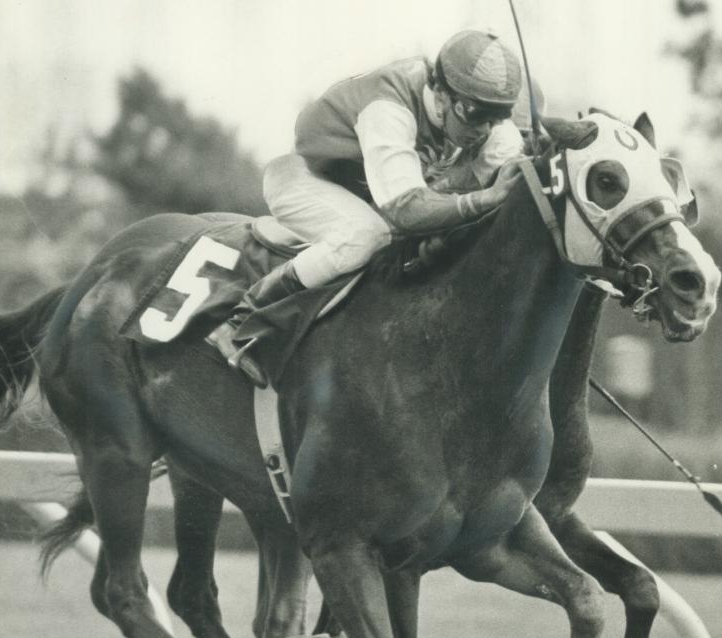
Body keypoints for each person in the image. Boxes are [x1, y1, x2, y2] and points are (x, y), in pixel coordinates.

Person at [211, 28, 530, 386]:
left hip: (370, 193)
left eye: (494, 117)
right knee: (366, 235)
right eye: (474, 115)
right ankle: (242, 321)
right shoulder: (389, 107)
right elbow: (405, 211)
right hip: (307, 179)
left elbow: (512, 171)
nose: (483, 130)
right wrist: (481, 198)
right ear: (440, 92)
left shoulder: (477, 119)